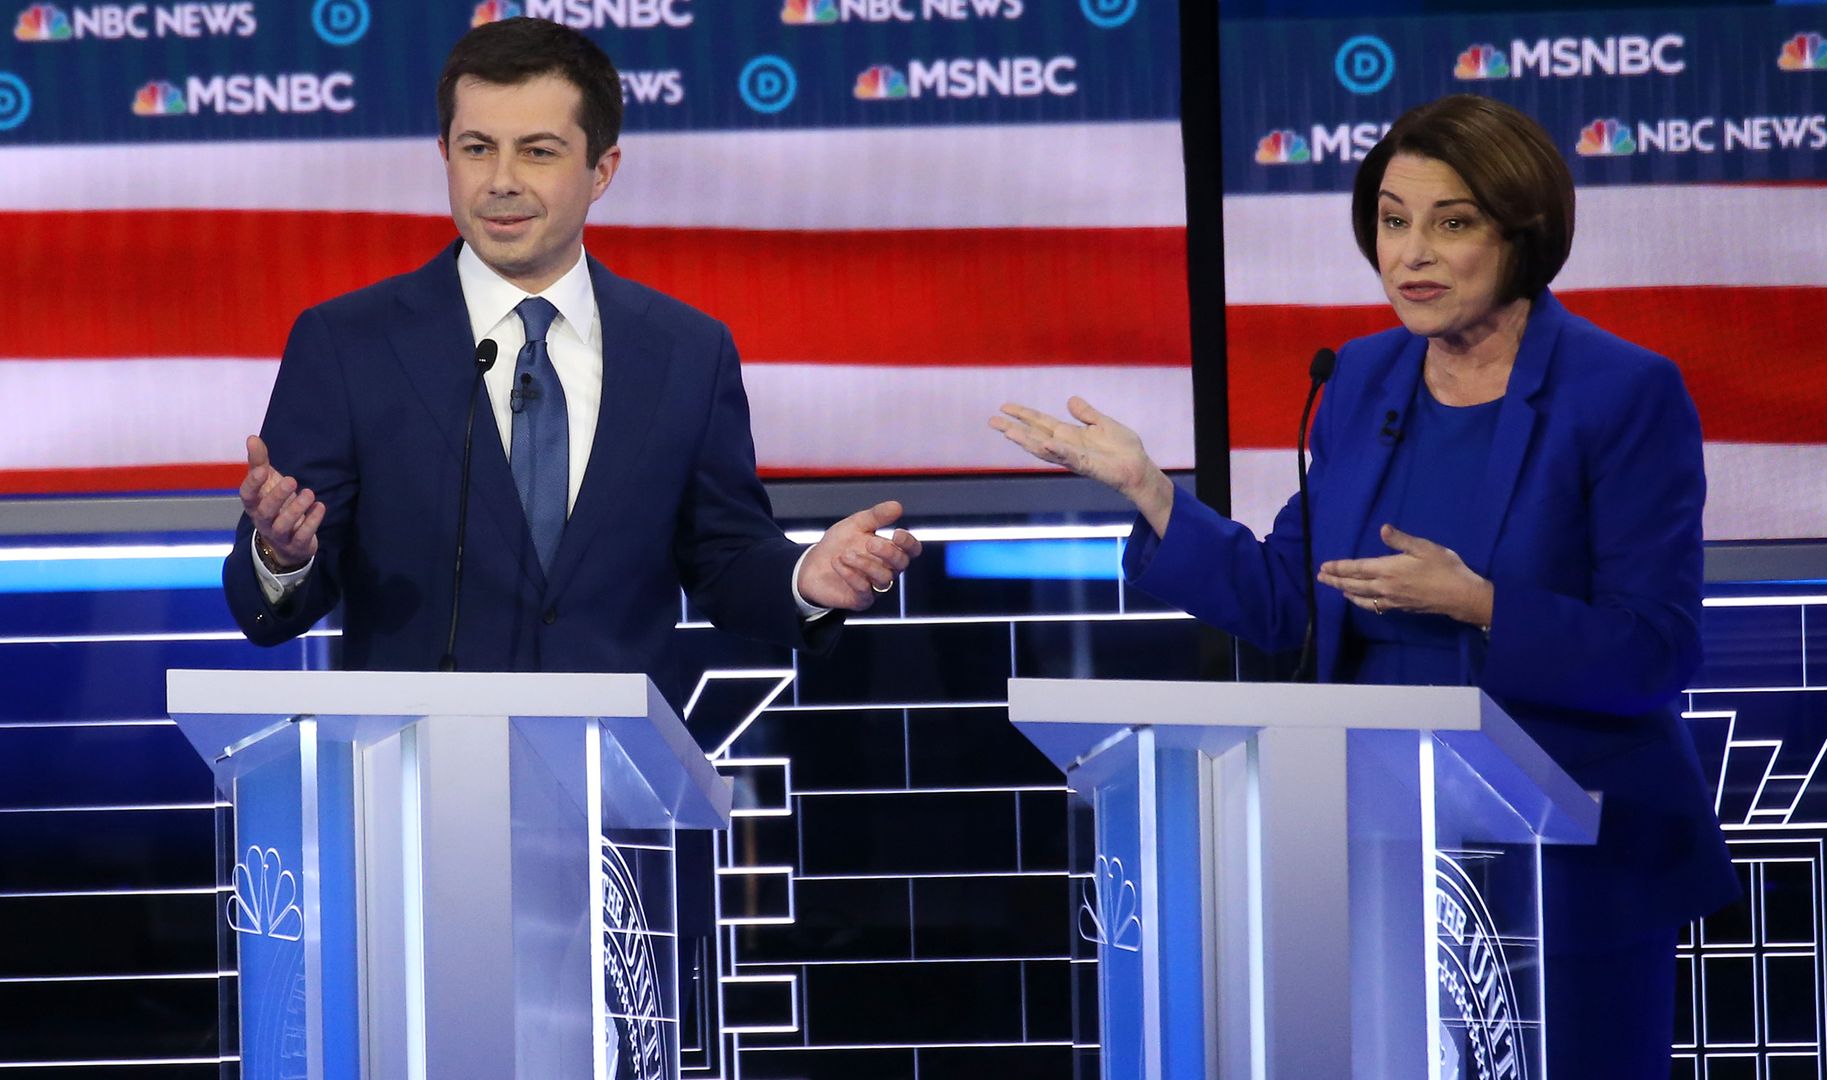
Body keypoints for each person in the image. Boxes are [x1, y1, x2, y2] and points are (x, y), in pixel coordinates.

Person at [992, 94, 1737, 1076]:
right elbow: (1292, 600)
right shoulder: (1361, 381)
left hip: (1572, 871)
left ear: (1526, 233)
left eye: (1451, 222)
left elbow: (1658, 651)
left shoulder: (1623, 392)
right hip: (1374, 857)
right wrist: (1152, 494)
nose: (1410, 253)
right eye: (1392, 221)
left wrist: (1476, 602)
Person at [224, 18, 919, 700]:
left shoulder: (685, 352)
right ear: (445, 154)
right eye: (476, 148)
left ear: (601, 170)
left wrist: (802, 578)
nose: (500, 180)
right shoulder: (349, 345)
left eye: (538, 151)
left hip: (616, 786)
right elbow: (273, 599)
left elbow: (725, 556)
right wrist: (281, 557)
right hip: (414, 783)